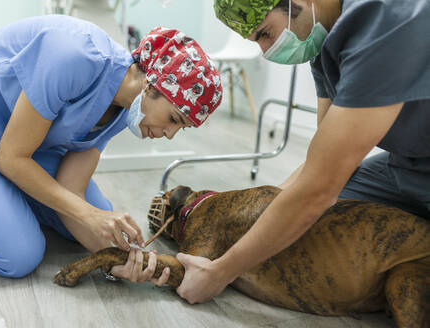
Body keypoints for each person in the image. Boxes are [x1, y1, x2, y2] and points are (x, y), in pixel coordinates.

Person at [174, 0, 430, 303]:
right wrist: (254, 213)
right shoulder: (323, 41)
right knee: (308, 220)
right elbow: (319, 162)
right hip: (407, 165)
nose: (267, 51)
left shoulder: (386, 19)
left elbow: (319, 189)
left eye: (265, 34)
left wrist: (220, 273)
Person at [0, 15, 222, 282]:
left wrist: (116, 259)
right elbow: (11, 158)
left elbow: (71, 187)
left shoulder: (125, 110)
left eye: (180, 128)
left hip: (11, 143)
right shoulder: (75, 55)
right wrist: (89, 216)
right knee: (20, 255)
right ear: (151, 84)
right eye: (174, 119)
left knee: (102, 221)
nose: (170, 135)